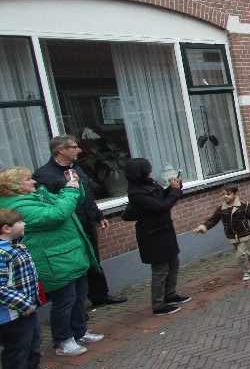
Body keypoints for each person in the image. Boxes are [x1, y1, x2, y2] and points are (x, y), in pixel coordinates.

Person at [0, 167, 102, 356]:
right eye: (27, 179)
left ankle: (79, 331)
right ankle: (63, 340)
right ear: (14, 185)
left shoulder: (36, 197)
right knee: (65, 301)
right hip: (53, 259)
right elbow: (56, 215)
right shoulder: (15, 207)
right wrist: (70, 190)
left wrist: (75, 185)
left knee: (79, 296)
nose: (33, 182)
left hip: (68, 254)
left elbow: (70, 204)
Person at [33, 135, 126, 306]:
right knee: (75, 264)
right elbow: (49, 205)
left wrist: (98, 215)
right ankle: (78, 307)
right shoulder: (44, 175)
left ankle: (100, 295)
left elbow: (87, 193)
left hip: (87, 221)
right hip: (69, 227)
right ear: (61, 150)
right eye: (74, 147)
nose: (79, 150)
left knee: (93, 259)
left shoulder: (75, 168)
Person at [0, 208, 57, 369]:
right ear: (6, 228)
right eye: (19, 222)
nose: (24, 224)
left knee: (33, 339)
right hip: (12, 313)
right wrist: (22, 304)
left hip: (26, 308)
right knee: (17, 347)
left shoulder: (15, 246)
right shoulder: (2, 254)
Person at [124, 158, 190, 316]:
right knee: (160, 270)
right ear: (138, 173)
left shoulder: (150, 184)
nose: (150, 173)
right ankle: (158, 305)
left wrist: (173, 187)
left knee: (173, 263)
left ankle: (170, 295)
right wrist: (175, 192)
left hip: (165, 230)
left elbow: (162, 196)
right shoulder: (136, 194)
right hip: (152, 235)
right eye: (147, 171)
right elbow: (161, 206)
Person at [193, 184, 250, 281]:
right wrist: (201, 228)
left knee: (240, 255)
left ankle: (247, 271)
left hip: (243, 234)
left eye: (228, 194)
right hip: (231, 235)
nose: (225, 196)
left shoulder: (244, 206)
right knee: (241, 252)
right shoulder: (221, 209)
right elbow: (212, 220)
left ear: (235, 194)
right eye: (223, 194)